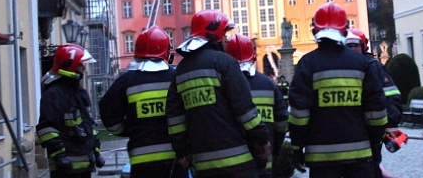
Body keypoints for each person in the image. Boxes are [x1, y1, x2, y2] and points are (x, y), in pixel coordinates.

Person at [166, 10, 271, 177]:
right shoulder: (225, 62)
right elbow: (245, 111)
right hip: (238, 163)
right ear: (214, 34)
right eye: (224, 34)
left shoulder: (181, 70)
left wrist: (183, 150)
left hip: (202, 166)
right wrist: (262, 139)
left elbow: (175, 119)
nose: (226, 39)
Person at [288, 2, 387, 177]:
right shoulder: (362, 63)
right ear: (345, 30)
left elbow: (299, 114)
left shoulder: (307, 64)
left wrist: (297, 147)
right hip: (360, 155)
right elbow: (376, 111)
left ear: (315, 30)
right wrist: (375, 144)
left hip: (321, 158)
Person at [99, 26, 187, 178]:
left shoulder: (126, 81)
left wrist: (128, 129)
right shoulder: (177, 77)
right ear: (166, 51)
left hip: (141, 160)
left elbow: (108, 114)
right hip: (176, 159)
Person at [226, 33, 289, 177]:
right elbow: (282, 122)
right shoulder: (267, 83)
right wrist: (275, 147)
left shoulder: (223, 85)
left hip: (235, 165)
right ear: (253, 56)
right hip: (265, 159)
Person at [36, 44, 104, 178]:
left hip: (85, 165)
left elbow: (89, 125)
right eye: (80, 64)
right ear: (69, 65)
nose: (84, 68)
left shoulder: (81, 93)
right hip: (64, 167)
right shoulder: (53, 94)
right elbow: (46, 129)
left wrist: (96, 151)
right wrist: (59, 155)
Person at [345, 28, 402, 178]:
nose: (352, 49)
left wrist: (391, 123)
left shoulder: (374, 66)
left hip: (372, 128)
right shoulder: (343, 67)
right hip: (352, 128)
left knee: (371, 165)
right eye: (348, 46)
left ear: (363, 46)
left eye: (355, 45)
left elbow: (391, 94)